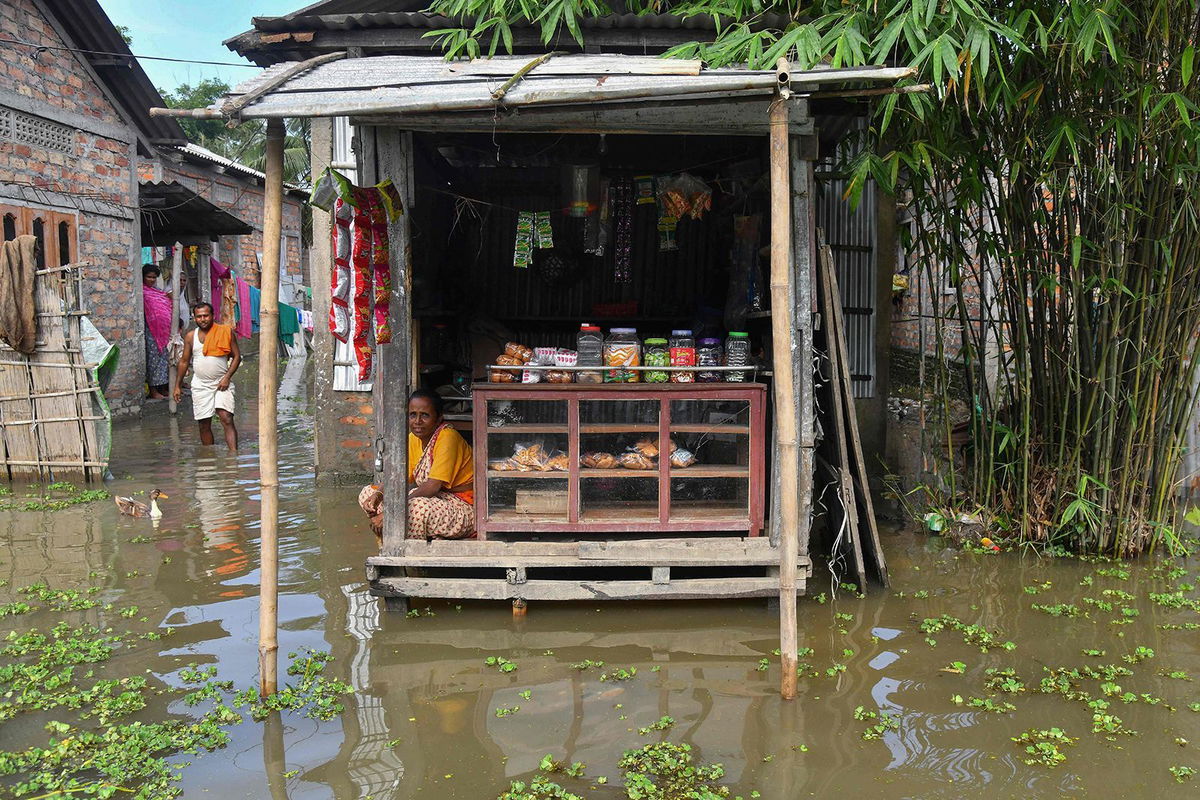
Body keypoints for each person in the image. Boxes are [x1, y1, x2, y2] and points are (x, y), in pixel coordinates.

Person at [174, 302, 240, 451]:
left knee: (226, 418)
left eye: (206, 315)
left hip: (222, 383)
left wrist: (227, 377)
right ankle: (209, 458)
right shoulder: (191, 337)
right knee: (204, 423)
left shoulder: (226, 332)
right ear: (194, 318)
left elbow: (237, 357)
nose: (203, 319)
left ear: (212, 316)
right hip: (200, 384)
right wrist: (177, 385)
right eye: (199, 316)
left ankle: (233, 457)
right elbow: (184, 362)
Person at [141, 264, 172, 399]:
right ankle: (153, 391)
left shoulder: (158, 291)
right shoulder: (142, 292)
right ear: (143, 277)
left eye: (154, 277)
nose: (152, 280)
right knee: (153, 360)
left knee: (164, 359)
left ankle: (163, 387)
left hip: (164, 333)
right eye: (149, 277)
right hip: (151, 332)